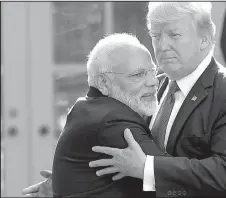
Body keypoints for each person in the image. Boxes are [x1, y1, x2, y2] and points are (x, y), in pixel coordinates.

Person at [22, 2, 226, 198]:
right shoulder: (152, 85)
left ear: (205, 39)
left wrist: (147, 168)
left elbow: (225, 174)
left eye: (174, 34)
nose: (162, 45)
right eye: (156, 35)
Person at [50, 33, 168, 197]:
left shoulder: (86, 108)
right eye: (138, 74)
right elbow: (172, 181)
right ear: (103, 83)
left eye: (152, 72)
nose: (154, 82)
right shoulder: (113, 122)